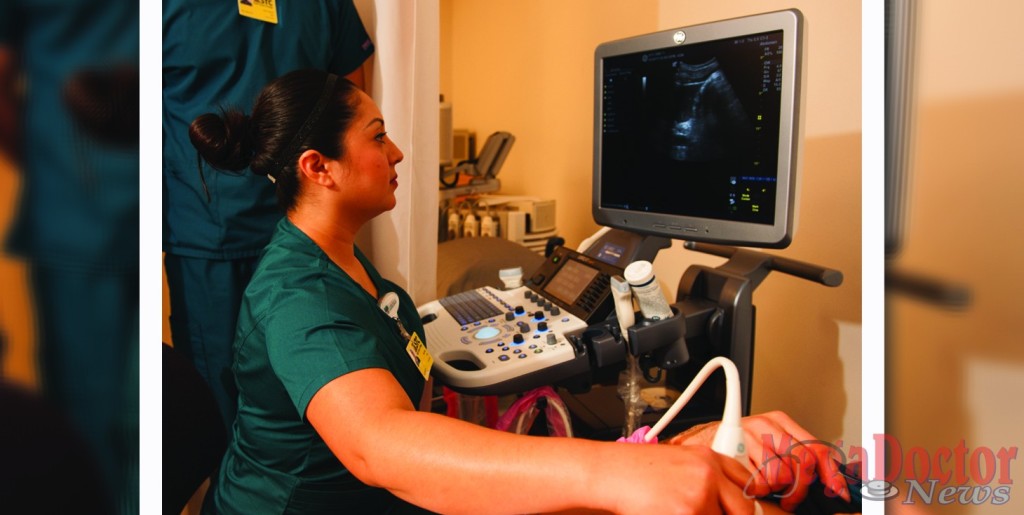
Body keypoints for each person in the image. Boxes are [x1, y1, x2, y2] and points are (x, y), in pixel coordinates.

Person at [190, 68, 852, 514]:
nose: (396, 153)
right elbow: (377, 443)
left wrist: (648, 454)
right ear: (318, 168)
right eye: (377, 135)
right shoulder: (299, 297)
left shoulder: (356, 270)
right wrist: (615, 473)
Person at [163, 0, 376, 430]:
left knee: (326, 392)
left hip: (302, 228)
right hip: (219, 234)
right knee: (229, 410)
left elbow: (350, 110)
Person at [0, 2, 138, 512]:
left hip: (115, 215)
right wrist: (48, 162)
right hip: (77, 226)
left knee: (135, 421)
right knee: (91, 423)